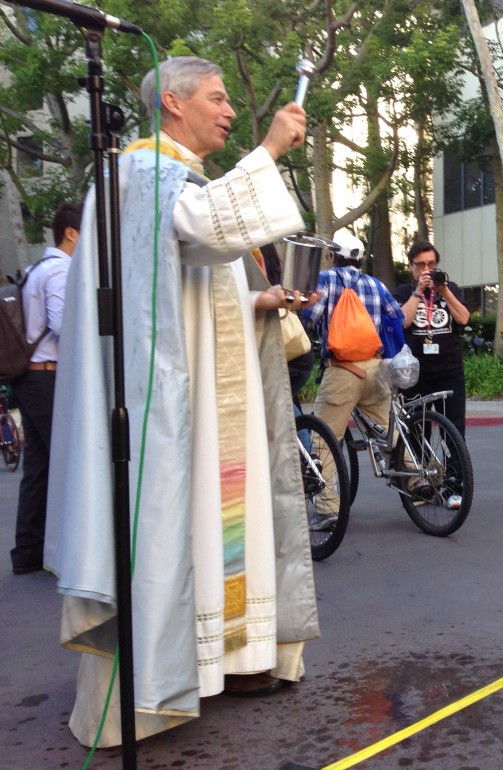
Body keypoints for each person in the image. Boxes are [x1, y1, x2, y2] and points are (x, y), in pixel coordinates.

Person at [45, 56, 320, 747]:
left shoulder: (175, 178)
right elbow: (204, 228)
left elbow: (202, 270)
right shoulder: (142, 171)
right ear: (172, 102)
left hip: (213, 395)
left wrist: (260, 298)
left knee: (225, 522)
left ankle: (236, 659)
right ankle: (162, 680)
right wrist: (271, 149)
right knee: (175, 525)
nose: (230, 112)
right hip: (168, 404)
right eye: (219, 98)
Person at [9, 201, 80, 575]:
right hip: (47, 375)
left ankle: (28, 553)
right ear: (71, 233)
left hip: (29, 376)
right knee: (69, 463)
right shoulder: (61, 270)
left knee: (38, 467)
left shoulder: (37, 267)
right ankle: (74, 556)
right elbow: (64, 324)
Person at [306, 233, 405, 452]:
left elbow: (310, 318)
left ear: (332, 257)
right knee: (391, 433)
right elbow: (397, 317)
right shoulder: (376, 284)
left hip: (342, 371)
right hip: (375, 370)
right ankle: (416, 477)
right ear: (359, 261)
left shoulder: (326, 279)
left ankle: (325, 488)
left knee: (324, 442)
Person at [392, 241, 471, 436]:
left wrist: (444, 291)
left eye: (431, 264)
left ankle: (455, 468)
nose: (426, 270)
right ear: (410, 266)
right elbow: (402, 323)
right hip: (415, 375)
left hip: (449, 372)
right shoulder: (403, 292)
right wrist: (418, 291)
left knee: (454, 432)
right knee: (416, 433)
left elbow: (463, 318)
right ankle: (421, 466)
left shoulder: (449, 287)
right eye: (420, 265)